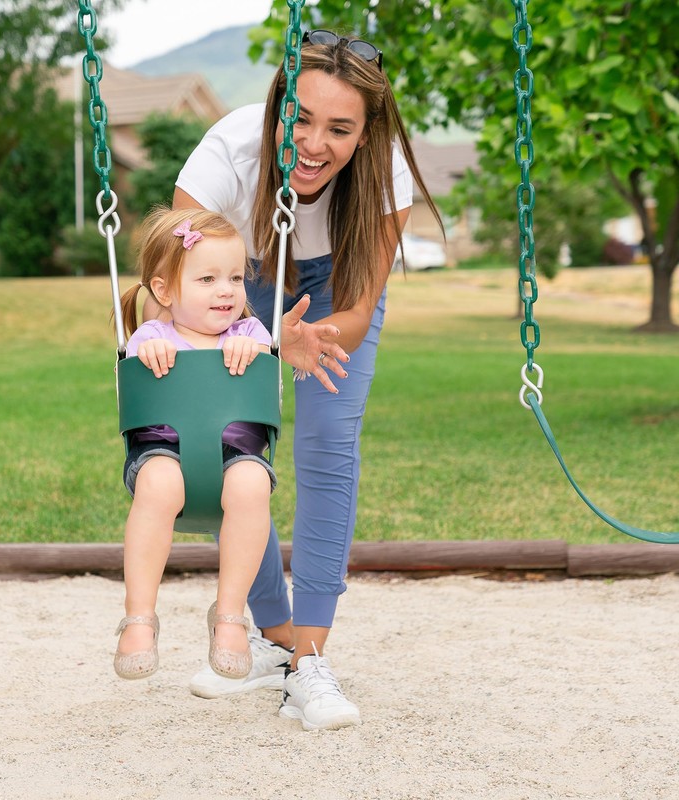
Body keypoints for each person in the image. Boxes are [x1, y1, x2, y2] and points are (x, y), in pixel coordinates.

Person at [172, 29, 443, 731]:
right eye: (301, 117)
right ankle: (275, 638)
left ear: (366, 133)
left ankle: (311, 658)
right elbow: (176, 291)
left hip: (331, 291)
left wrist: (309, 337)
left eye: (340, 128)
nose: (314, 143)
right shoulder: (226, 157)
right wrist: (256, 335)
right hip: (237, 278)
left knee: (327, 445)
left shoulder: (385, 175)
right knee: (233, 449)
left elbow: (354, 313)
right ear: (277, 107)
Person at [113, 207, 279, 683]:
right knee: (160, 484)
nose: (226, 290)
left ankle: (229, 618)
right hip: (162, 453)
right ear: (165, 291)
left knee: (252, 485)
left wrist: (254, 348)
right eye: (207, 279)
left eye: (234, 277)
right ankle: (139, 619)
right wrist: (149, 350)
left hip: (236, 456)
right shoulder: (154, 335)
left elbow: (264, 348)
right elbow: (142, 348)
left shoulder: (247, 332)